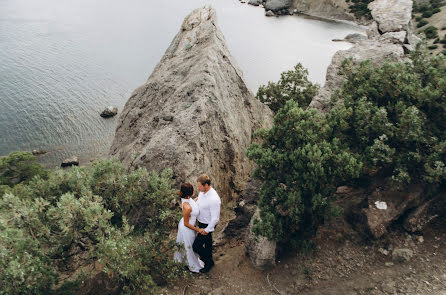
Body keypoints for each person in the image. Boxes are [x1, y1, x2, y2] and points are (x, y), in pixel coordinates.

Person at [193, 174, 221, 273]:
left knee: (196, 246)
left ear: (206, 185)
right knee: (208, 243)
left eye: (199, 186)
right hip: (201, 222)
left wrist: (207, 230)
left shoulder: (214, 199)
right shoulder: (202, 192)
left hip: (207, 225)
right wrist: (194, 201)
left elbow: (215, 218)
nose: (198, 188)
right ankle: (209, 261)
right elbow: (200, 199)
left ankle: (208, 261)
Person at [174, 183, 204, 273]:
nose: (195, 190)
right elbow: (186, 223)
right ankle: (192, 265)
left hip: (190, 226)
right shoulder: (186, 207)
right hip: (186, 228)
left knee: (188, 245)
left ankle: (184, 261)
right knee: (189, 246)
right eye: (193, 189)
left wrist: (199, 198)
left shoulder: (187, 199)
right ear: (190, 193)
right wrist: (198, 229)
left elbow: (192, 202)